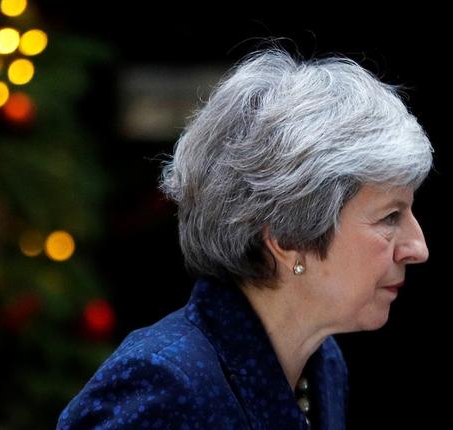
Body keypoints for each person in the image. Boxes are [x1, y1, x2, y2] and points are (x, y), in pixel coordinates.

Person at [57, 46, 432, 429]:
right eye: (390, 216)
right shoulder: (162, 388)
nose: (417, 248)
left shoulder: (322, 365)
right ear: (287, 237)